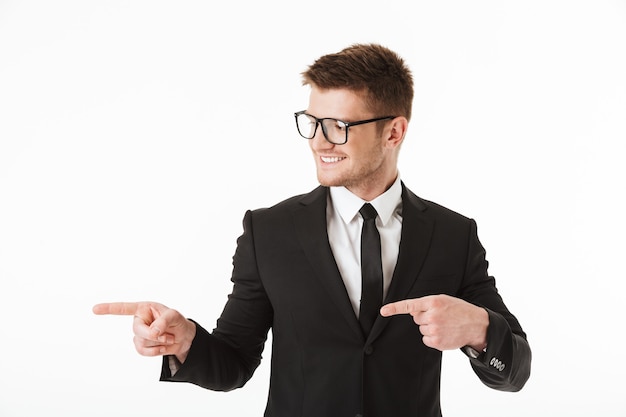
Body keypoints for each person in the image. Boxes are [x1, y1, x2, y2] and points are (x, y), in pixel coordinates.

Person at [93, 43, 531, 417]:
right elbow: (235, 361)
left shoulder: (453, 235)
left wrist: (478, 329)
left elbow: (516, 370)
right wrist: (186, 341)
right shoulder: (269, 232)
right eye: (313, 122)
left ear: (394, 132)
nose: (319, 142)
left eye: (339, 126)